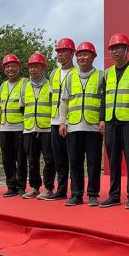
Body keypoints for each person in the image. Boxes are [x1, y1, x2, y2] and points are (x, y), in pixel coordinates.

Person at [100, 33, 129, 210]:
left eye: (118, 47)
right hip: (111, 122)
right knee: (113, 160)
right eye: (112, 48)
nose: (115, 51)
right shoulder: (107, 72)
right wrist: (102, 119)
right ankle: (114, 195)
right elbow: (104, 98)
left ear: (127, 49)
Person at [59, 42, 104, 207]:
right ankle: (76, 194)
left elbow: (104, 100)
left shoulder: (101, 76)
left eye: (86, 54)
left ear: (93, 57)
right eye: (79, 55)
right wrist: (62, 122)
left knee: (94, 162)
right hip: (74, 126)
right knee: (75, 162)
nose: (82, 57)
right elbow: (64, 101)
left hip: (93, 127)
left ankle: (93, 194)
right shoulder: (71, 77)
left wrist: (102, 119)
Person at [42, 38, 76, 201]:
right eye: (58, 51)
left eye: (64, 51)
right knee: (59, 158)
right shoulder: (53, 73)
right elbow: (51, 97)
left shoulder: (76, 73)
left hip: (72, 121)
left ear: (72, 53)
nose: (60, 54)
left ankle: (76, 192)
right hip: (55, 121)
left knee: (73, 158)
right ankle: (61, 190)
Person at [20, 53, 56, 200]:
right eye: (31, 67)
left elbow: (54, 105)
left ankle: (48, 188)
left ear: (43, 68)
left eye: (36, 67)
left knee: (49, 160)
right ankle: (34, 187)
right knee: (32, 160)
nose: (33, 70)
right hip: (29, 128)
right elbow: (22, 107)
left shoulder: (50, 85)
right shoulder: (25, 86)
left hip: (46, 128)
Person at [0, 54, 28, 197]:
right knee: (7, 159)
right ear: (4, 69)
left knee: (21, 159)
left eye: (13, 66)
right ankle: (11, 186)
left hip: (20, 127)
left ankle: (21, 186)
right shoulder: (3, 86)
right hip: (5, 127)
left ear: (19, 67)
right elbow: (0, 108)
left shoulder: (25, 83)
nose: (10, 69)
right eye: (7, 67)